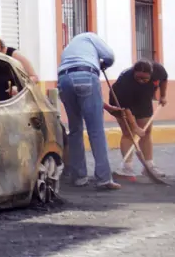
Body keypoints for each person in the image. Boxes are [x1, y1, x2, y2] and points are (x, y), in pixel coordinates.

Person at [58, 32, 122, 190]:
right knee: (96, 130)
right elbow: (109, 56)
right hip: (86, 76)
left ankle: (79, 177)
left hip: (64, 80)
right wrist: (104, 64)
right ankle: (103, 179)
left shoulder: (69, 48)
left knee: (75, 130)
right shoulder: (90, 37)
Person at [109, 60, 168, 180]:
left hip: (143, 99)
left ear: (151, 74)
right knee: (129, 133)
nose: (141, 81)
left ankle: (149, 166)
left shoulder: (158, 70)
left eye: (145, 79)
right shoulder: (125, 82)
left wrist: (163, 96)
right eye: (138, 78)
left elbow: (164, 80)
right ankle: (127, 168)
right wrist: (135, 127)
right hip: (120, 103)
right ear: (134, 72)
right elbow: (126, 109)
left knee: (146, 132)